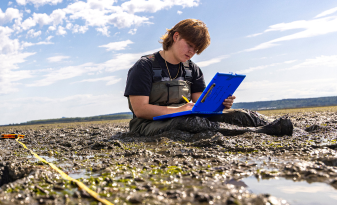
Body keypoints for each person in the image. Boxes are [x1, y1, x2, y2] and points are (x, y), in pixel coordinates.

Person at [123, 19, 293, 137]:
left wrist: (220, 103)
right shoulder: (144, 66)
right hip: (148, 124)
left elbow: (201, 105)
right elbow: (140, 110)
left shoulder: (192, 69)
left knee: (242, 115)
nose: (191, 52)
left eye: (196, 49)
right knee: (189, 124)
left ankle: (287, 126)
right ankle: (262, 132)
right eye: (189, 44)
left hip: (185, 116)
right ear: (176, 37)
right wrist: (178, 111)